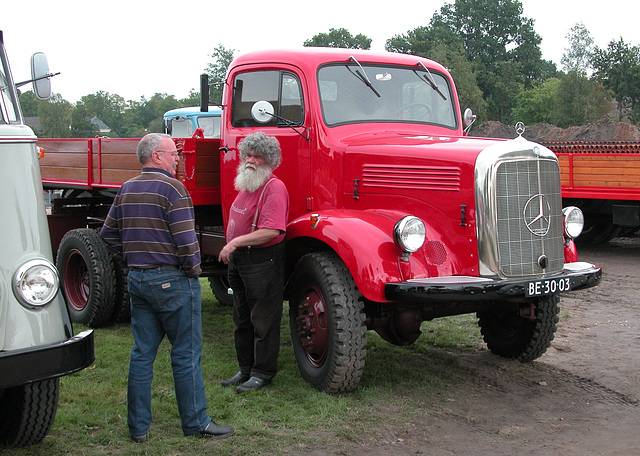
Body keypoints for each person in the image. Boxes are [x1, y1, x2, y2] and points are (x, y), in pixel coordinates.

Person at [100, 133, 234, 442]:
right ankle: (196, 423)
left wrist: (132, 258)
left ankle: (138, 428)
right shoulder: (174, 190)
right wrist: (192, 271)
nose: (178, 158)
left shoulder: (126, 189)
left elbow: (107, 236)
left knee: (142, 353)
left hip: (138, 280)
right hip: (173, 281)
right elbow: (187, 242)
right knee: (186, 354)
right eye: (174, 153)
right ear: (156, 156)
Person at [218, 132, 289, 393]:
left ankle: (262, 373)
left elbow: (273, 230)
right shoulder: (248, 184)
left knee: (264, 320)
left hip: (261, 261)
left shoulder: (274, 188)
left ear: (269, 161)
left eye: (257, 156)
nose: (250, 160)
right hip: (241, 261)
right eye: (248, 154)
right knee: (242, 318)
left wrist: (234, 243)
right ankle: (245, 369)